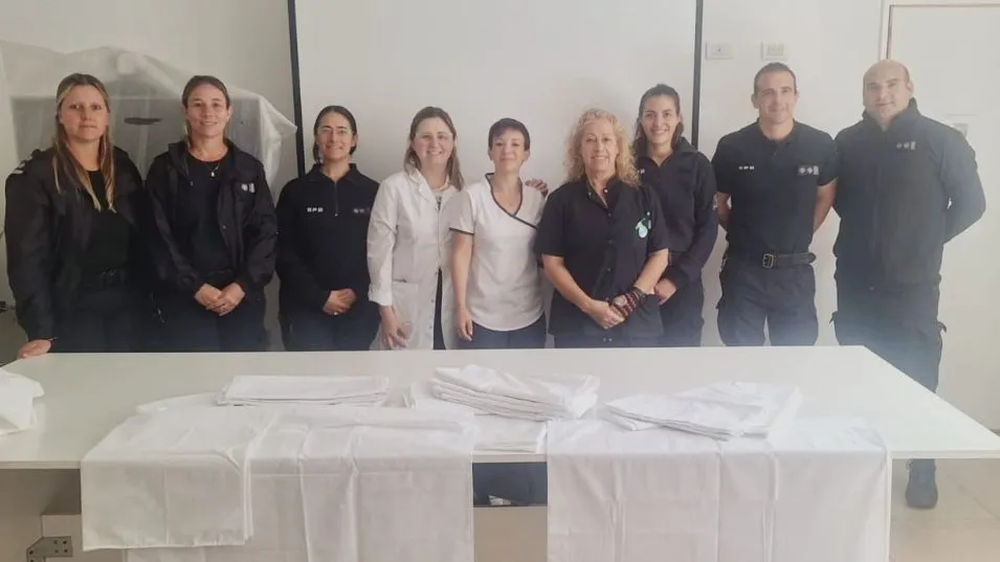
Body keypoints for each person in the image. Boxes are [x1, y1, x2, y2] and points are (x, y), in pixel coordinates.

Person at [833, 60, 986, 509]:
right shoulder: (847, 143)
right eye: (872, 86)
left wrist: (924, 241)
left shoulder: (942, 140)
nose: (882, 93)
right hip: (857, 285)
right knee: (859, 376)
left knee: (918, 377)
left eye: (891, 84)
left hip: (913, 287)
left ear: (909, 87)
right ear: (862, 94)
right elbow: (838, 201)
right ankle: (865, 462)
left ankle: (922, 466)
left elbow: (972, 204)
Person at [5, 73, 152, 357]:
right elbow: (26, 261)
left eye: (95, 107)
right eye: (75, 107)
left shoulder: (122, 166)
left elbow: (144, 237)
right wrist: (41, 330)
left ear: (107, 115)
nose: (87, 115)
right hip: (72, 306)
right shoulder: (36, 177)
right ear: (60, 114)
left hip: (127, 302)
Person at [145, 75, 277, 352]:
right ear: (185, 111)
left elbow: (265, 234)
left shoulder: (249, 168)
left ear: (229, 112)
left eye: (217, 105)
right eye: (198, 104)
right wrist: (196, 287)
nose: (208, 113)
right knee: (196, 384)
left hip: (240, 298)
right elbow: (158, 237)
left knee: (243, 381)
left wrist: (240, 286)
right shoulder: (164, 169)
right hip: (185, 299)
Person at [712, 63, 838, 347]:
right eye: (768, 92)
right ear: (755, 100)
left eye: (785, 91)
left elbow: (826, 195)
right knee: (741, 363)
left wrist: (802, 232)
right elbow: (718, 202)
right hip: (744, 270)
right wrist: (743, 232)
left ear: (796, 96)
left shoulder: (820, 144)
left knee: (795, 364)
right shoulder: (732, 147)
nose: (777, 100)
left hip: (795, 272)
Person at [535, 108, 670, 348]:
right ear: (579, 149)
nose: (599, 147)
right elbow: (551, 263)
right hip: (577, 327)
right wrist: (589, 306)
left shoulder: (644, 196)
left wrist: (633, 297)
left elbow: (660, 254)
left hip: (636, 327)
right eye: (590, 140)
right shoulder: (561, 200)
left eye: (607, 139)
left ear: (619, 148)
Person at [276, 106, 379, 351]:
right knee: (311, 385)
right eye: (326, 130)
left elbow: (381, 251)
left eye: (342, 131)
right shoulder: (294, 191)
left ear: (353, 139)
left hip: (358, 310)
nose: (334, 138)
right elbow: (282, 251)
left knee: (354, 384)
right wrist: (319, 297)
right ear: (316, 137)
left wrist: (356, 290)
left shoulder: (373, 191)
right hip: (304, 310)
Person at [367, 106, 464, 350]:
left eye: (442, 136)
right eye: (425, 136)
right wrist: (386, 311)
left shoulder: (464, 193)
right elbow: (379, 255)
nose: (435, 144)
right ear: (412, 143)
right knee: (406, 378)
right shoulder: (393, 188)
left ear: (453, 142)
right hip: (406, 306)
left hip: (451, 303)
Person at [450, 118, 547, 349]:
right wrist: (460, 308)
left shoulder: (537, 199)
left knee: (525, 383)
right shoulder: (472, 196)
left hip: (528, 315)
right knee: (477, 384)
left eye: (515, 144)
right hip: (481, 318)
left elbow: (544, 255)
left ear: (526, 153)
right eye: (500, 143)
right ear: (490, 152)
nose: (507, 150)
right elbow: (460, 255)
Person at [633, 84, 718, 347]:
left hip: (683, 283)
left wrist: (676, 280)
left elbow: (708, 229)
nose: (659, 122)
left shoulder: (697, 164)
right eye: (650, 114)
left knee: (681, 367)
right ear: (641, 119)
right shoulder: (625, 162)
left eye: (667, 114)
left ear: (679, 117)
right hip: (634, 281)